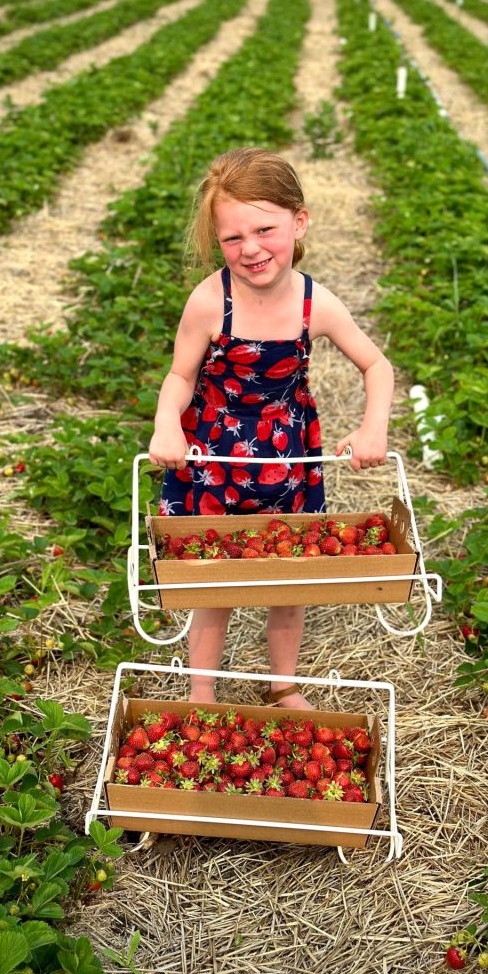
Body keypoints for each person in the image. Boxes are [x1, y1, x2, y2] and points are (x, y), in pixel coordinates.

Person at [148, 147, 394, 709]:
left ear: (299, 221)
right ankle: (202, 692)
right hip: (215, 456)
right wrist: (168, 425)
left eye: (265, 229)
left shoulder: (317, 305)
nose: (251, 248)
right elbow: (180, 375)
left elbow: (377, 365)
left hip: (288, 458)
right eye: (233, 238)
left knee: (290, 577)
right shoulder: (211, 301)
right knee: (216, 577)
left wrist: (372, 426)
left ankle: (283, 686)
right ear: (217, 240)